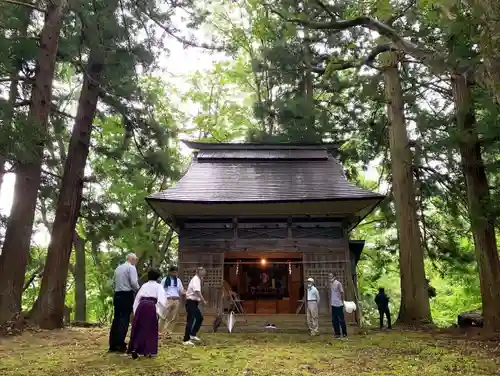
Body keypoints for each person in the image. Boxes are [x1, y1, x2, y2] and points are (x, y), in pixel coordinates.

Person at [128, 268, 167, 359]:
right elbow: (162, 300)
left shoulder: (144, 285)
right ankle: (148, 350)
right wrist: (159, 311)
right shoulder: (158, 286)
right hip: (151, 307)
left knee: (139, 327)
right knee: (150, 329)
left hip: (141, 306)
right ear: (157, 277)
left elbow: (138, 298)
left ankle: (135, 348)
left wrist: (135, 310)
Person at [109, 253, 140, 353]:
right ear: (132, 259)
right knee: (124, 319)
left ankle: (113, 344)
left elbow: (113, 283)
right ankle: (120, 344)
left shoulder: (118, 268)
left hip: (117, 295)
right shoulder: (131, 268)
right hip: (126, 295)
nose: (136, 262)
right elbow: (134, 283)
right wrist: (139, 290)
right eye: (135, 260)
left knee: (117, 319)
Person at [183, 267, 207, 346]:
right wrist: (203, 300)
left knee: (199, 318)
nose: (204, 273)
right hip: (191, 302)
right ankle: (186, 340)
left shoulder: (198, 279)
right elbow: (197, 291)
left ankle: (192, 334)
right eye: (203, 271)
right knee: (190, 320)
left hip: (194, 303)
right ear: (198, 272)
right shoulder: (196, 279)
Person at [159, 266, 185, 336]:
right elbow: (160, 290)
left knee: (173, 317)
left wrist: (184, 292)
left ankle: (168, 332)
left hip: (176, 300)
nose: (175, 273)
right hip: (167, 300)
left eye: (176, 272)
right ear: (169, 272)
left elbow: (181, 290)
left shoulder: (178, 280)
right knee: (163, 316)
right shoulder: (164, 280)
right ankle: (160, 332)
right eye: (173, 272)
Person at [328, 273, 347, 338]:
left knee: (341, 319)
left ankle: (344, 333)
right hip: (333, 304)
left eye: (331, 276)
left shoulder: (338, 283)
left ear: (334, 277)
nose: (330, 277)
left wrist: (343, 301)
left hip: (339, 304)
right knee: (334, 320)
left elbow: (342, 292)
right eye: (329, 276)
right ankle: (337, 333)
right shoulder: (330, 284)